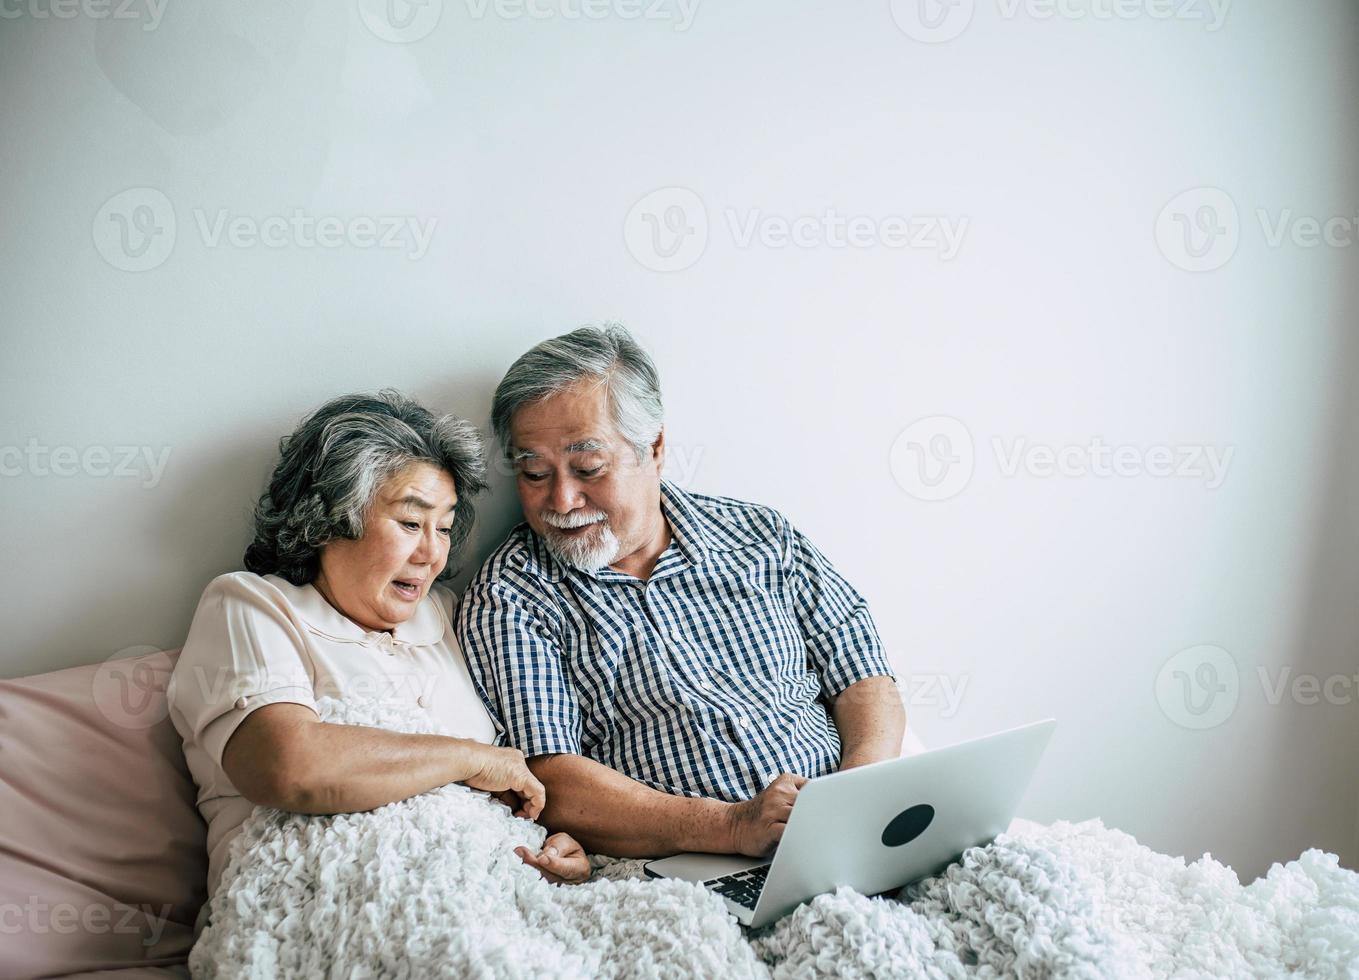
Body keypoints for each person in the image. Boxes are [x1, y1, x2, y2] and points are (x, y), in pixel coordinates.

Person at [458, 325, 906, 860]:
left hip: (850, 832)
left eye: (588, 468)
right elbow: (551, 776)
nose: (563, 499)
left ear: (655, 448)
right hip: (692, 864)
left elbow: (863, 675)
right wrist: (734, 826)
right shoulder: (511, 594)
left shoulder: (760, 535)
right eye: (534, 474)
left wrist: (852, 799)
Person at [169, 390, 589, 906]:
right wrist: (466, 757)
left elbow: (505, 790)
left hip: (476, 893)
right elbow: (287, 766)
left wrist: (549, 846)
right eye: (411, 523)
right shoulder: (251, 605)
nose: (433, 553)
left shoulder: (450, 617)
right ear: (329, 518)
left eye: (445, 526)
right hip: (314, 900)